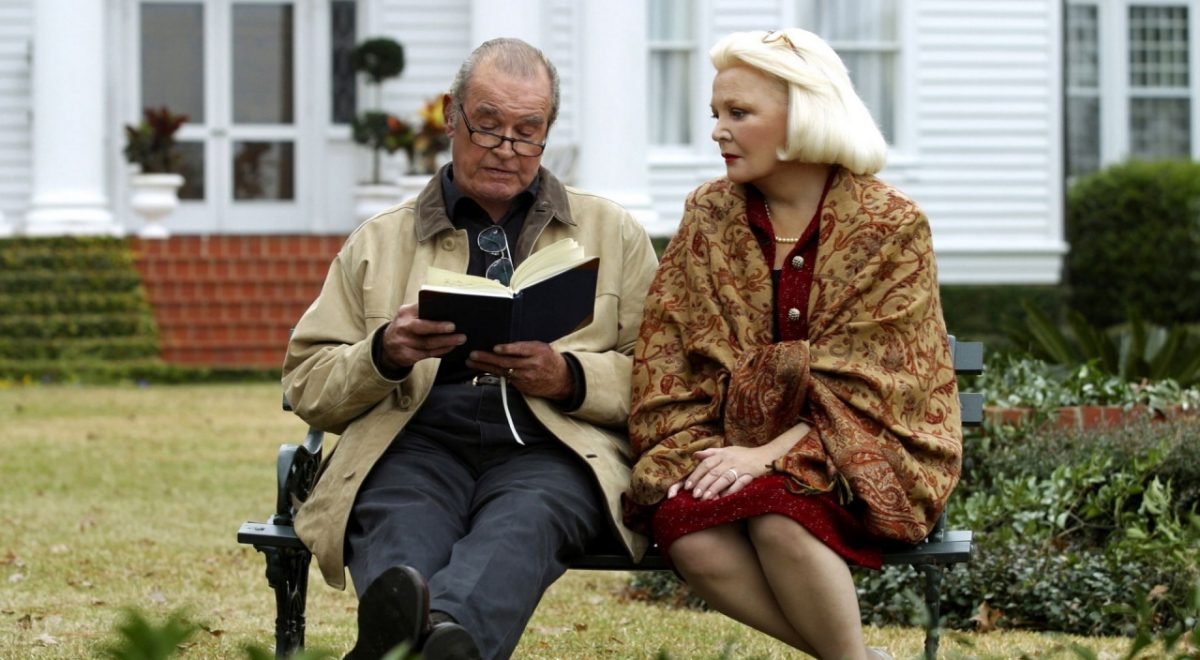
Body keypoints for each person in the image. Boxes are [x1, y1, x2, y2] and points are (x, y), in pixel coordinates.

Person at [283, 38, 658, 660]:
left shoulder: (611, 232)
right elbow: (308, 384)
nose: (506, 150)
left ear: (547, 134)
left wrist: (569, 376)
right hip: (416, 439)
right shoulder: (381, 241)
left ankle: (420, 640)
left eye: (526, 132)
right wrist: (385, 352)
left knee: (527, 521)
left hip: (552, 445)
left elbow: (662, 377)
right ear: (452, 118)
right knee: (399, 522)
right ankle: (445, 643)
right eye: (487, 127)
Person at [623, 28, 963, 660]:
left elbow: (879, 380)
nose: (718, 130)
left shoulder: (890, 225)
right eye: (716, 114)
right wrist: (720, 448)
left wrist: (767, 455)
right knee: (689, 533)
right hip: (725, 441)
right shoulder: (708, 213)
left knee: (779, 512)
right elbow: (671, 348)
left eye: (739, 113)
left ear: (803, 116)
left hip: (867, 448)